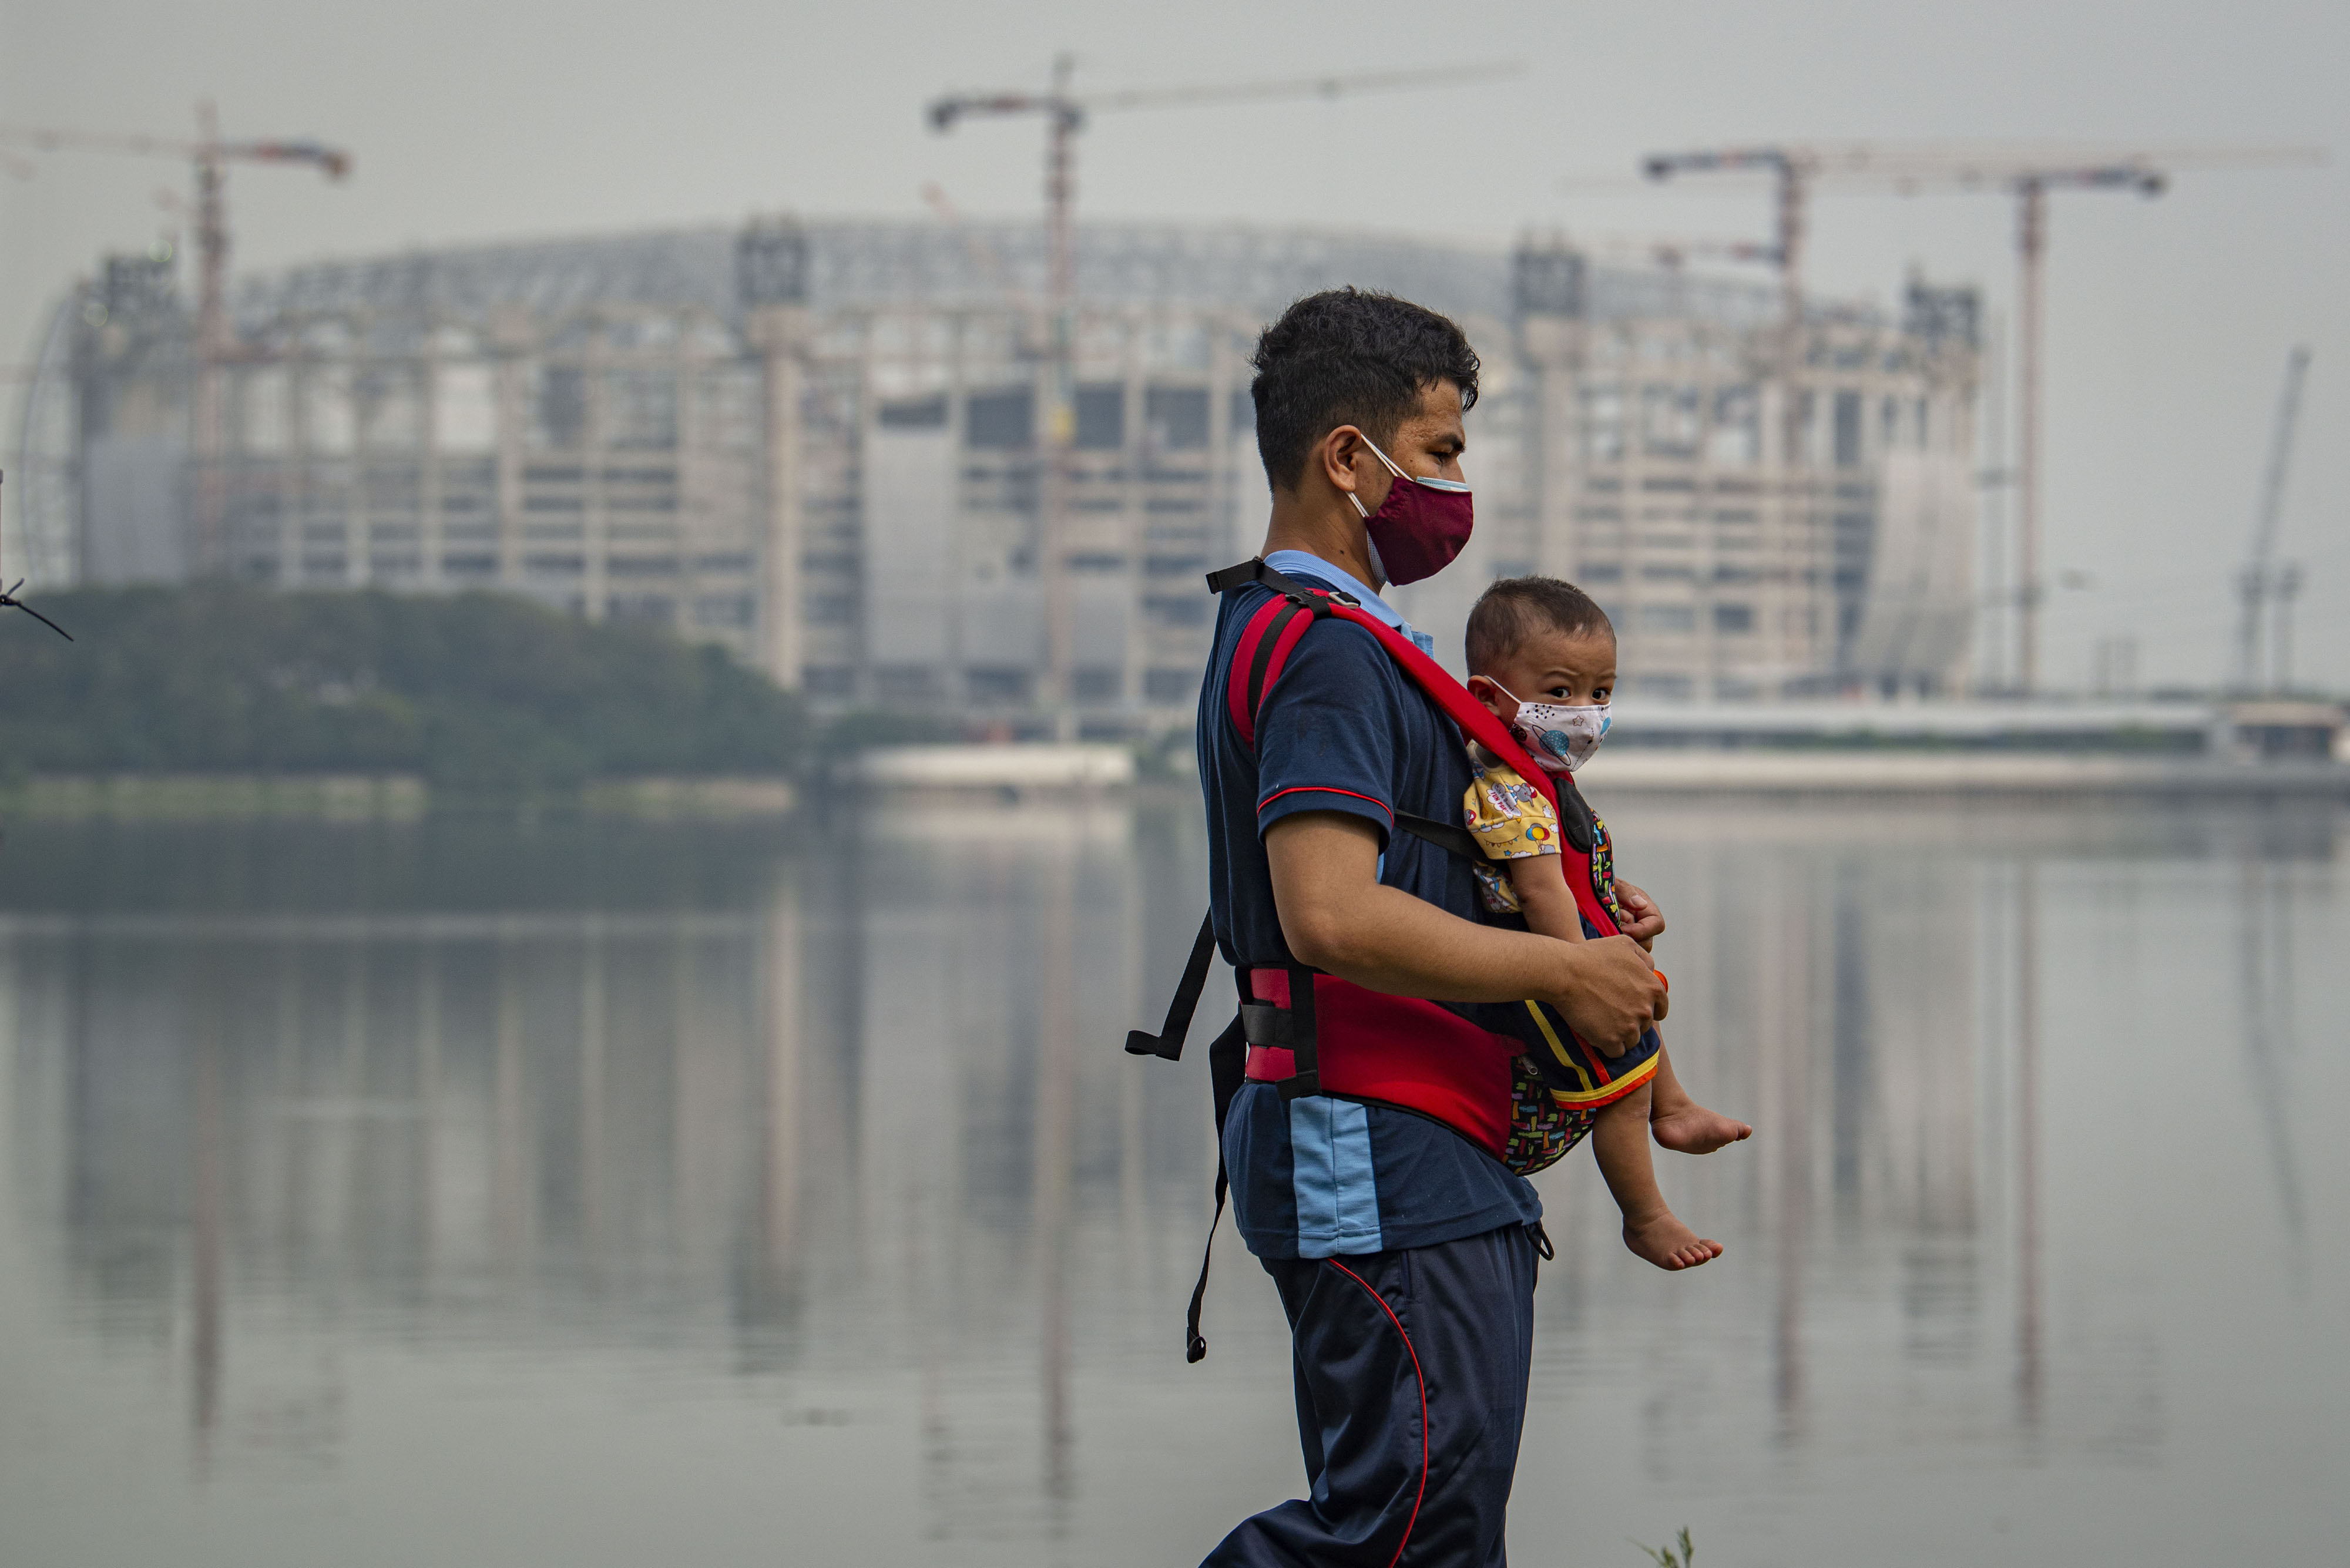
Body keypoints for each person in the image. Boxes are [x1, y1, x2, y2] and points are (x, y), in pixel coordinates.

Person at [1194, 288, 1668, 1568]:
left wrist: (1577, 908)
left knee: (1432, 1516)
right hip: (1370, 1134)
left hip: (1417, 1136)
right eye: (1441, 449)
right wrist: (1568, 967)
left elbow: (1415, 863)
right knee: (1407, 1522)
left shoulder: (1323, 632)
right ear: (1348, 458)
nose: (1457, 485)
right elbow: (1329, 911)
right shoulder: (1327, 650)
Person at [1459, 576, 1752, 1272]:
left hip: (1574, 946)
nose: (1585, 713)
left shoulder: (1543, 777)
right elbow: (1537, 890)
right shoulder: (1506, 788)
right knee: (1619, 1085)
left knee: (1640, 1000)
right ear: (1488, 698)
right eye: (1560, 692)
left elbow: (1562, 863)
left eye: (1600, 692)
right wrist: (1582, 973)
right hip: (1546, 966)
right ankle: (1644, 1215)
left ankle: (1672, 1104)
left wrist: (1612, 900)